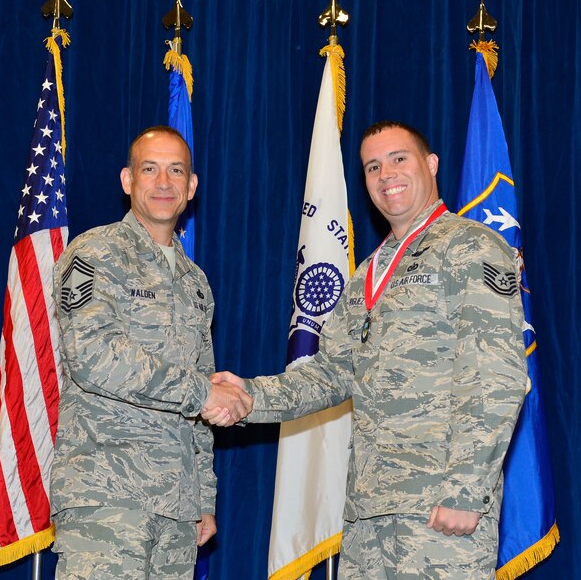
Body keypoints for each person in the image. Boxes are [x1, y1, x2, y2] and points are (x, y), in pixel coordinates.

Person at [207, 121, 527, 579]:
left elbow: (495, 376)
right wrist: (249, 396)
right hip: (367, 517)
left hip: (438, 512)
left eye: (400, 159)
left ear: (431, 164)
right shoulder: (366, 275)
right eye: (373, 166)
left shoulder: (471, 247)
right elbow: (331, 374)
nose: (386, 174)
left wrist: (464, 491)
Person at [50, 126, 251, 579]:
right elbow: (94, 356)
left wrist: (202, 499)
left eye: (176, 171)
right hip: (107, 493)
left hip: (177, 508)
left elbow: (204, 386)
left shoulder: (195, 281)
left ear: (191, 186)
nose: (163, 183)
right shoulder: (95, 252)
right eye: (150, 169)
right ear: (127, 180)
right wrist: (201, 393)